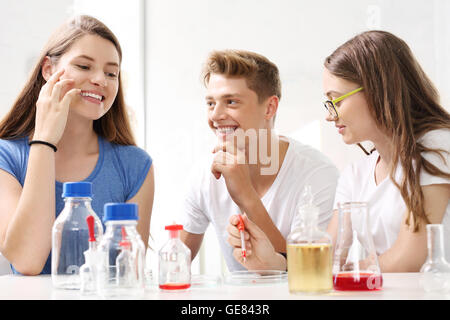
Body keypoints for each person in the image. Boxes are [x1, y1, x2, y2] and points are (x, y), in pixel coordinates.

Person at [230, 30, 450, 272]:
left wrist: (346, 271)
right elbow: (324, 261)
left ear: (378, 90)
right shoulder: (356, 175)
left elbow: (408, 259)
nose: (329, 114)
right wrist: (272, 260)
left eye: (337, 100)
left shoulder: (437, 147)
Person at [0, 15, 154, 276]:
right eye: (84, 66)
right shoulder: (7, 156)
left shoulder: (136, 166)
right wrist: (44, 140)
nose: (100, 80)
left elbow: (129, 273)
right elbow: (27, 261)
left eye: (111, 73)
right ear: (48, 69)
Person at [179, 50, 339, 272]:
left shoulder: (317, 173)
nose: (215, 116)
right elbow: (176, 260)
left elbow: (310, 269)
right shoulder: (204, 174)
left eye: (231, 102)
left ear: (269, 107)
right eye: (210, 103)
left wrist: (246, 195)